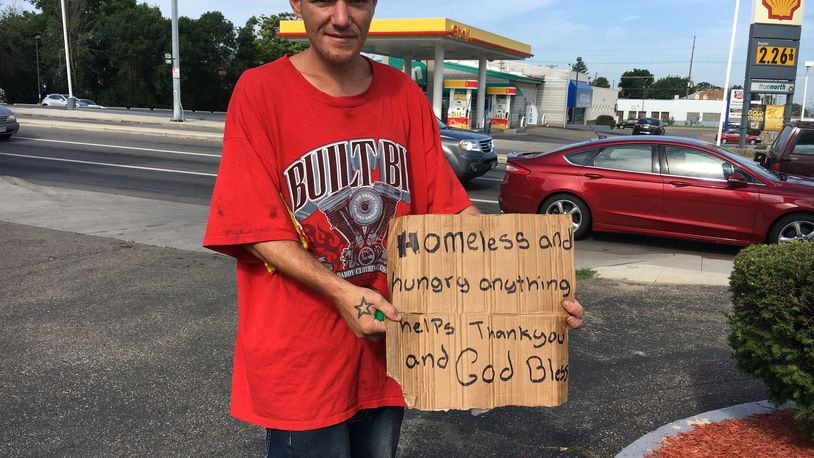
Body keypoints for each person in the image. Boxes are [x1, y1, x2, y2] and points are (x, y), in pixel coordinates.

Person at [203, 0, 585, 456]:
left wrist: (531, 294)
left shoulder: (401, 94)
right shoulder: (260, 91)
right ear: (296, 3)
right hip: (301, 363)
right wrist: (342, 293)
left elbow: (453, 217)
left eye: (359, 1)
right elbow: (253, 227)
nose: (342, 18)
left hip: (391, 351)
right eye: (325, 0)